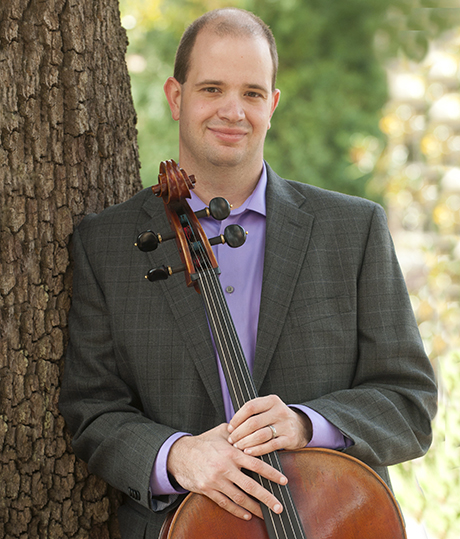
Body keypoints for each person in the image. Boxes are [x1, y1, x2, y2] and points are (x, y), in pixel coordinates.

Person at [59, 7, 437, 539]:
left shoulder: (354, 230)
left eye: (252, 93)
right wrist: (177, 456)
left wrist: (309, 424)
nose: (233, 111)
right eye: (212, 89)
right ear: (176, 96)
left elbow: (409, 403)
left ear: (273, 105)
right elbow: (92, 409)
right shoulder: (107, 243)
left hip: (335, 524)